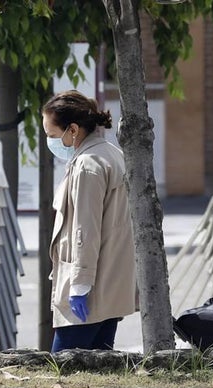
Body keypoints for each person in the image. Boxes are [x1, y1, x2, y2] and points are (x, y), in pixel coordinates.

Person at [42, 90, 138, 352]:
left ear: (72, 130)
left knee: (63, 369)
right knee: (99, 367)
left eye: (52, 135)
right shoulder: (111, 153)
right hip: (110, 284)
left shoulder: (87, 165)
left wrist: (80, 284)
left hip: (90, 289)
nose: (49, 141)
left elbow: (85, 230)